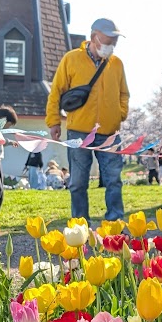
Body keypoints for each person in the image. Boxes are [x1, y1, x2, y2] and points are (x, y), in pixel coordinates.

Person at [46, 18, 130, 222]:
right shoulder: (71, 59)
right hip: (79, 130)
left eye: (115, 42)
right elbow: (56, 91)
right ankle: (80, 222)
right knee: (78, 182)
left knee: (113, 180)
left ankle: (115, 220)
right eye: (108, 41)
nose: (112, 46)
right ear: (94, 38)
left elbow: (123, 94)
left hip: (110, 132)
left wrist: (120, 114)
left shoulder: (117, 63)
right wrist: (54, 121)